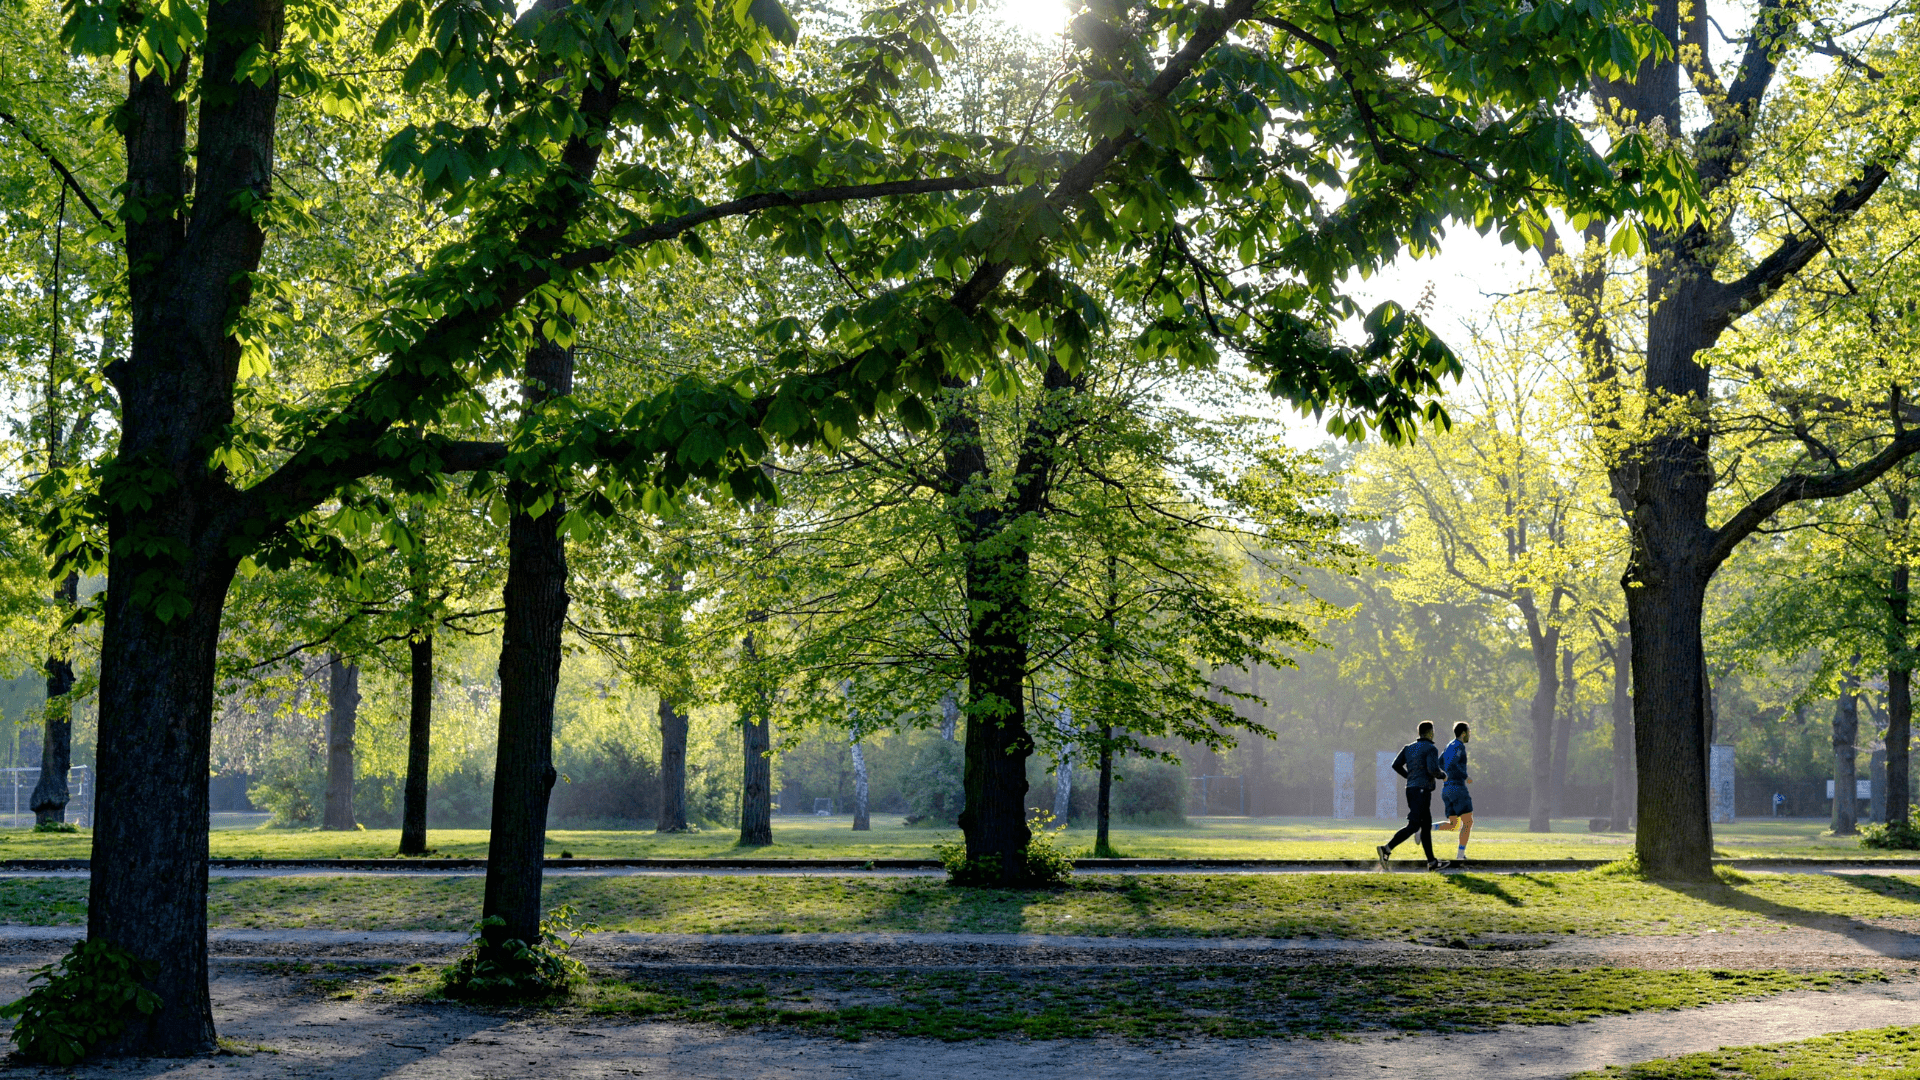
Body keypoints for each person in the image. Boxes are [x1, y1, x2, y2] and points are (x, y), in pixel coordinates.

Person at [1375, 721, 1447, 871]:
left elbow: (1395, 765)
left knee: (1425, 826)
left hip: (1411, 789)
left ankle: (1432, 863)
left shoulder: (1409, 748)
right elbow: (1433, 769)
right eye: (1433, 731)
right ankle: (1386, 849)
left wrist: (1409, 777)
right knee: (1415, 825)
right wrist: (1443, 775)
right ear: (1430, 732)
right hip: (1422, 791)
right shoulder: (1431, 748)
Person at [1434, 722, 1473, 865]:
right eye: (1469, 732)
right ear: (1463, 733)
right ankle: (1460, 855)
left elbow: (1440, 762)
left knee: (1453, 824)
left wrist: (1446, 776)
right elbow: (1452, 764)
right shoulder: (1459, 746)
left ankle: (1425, 828)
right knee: (1468, 822)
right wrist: (1464, 776)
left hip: (1447, 789)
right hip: (1457, 788)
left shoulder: (1448, 745)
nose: (1470, 734)